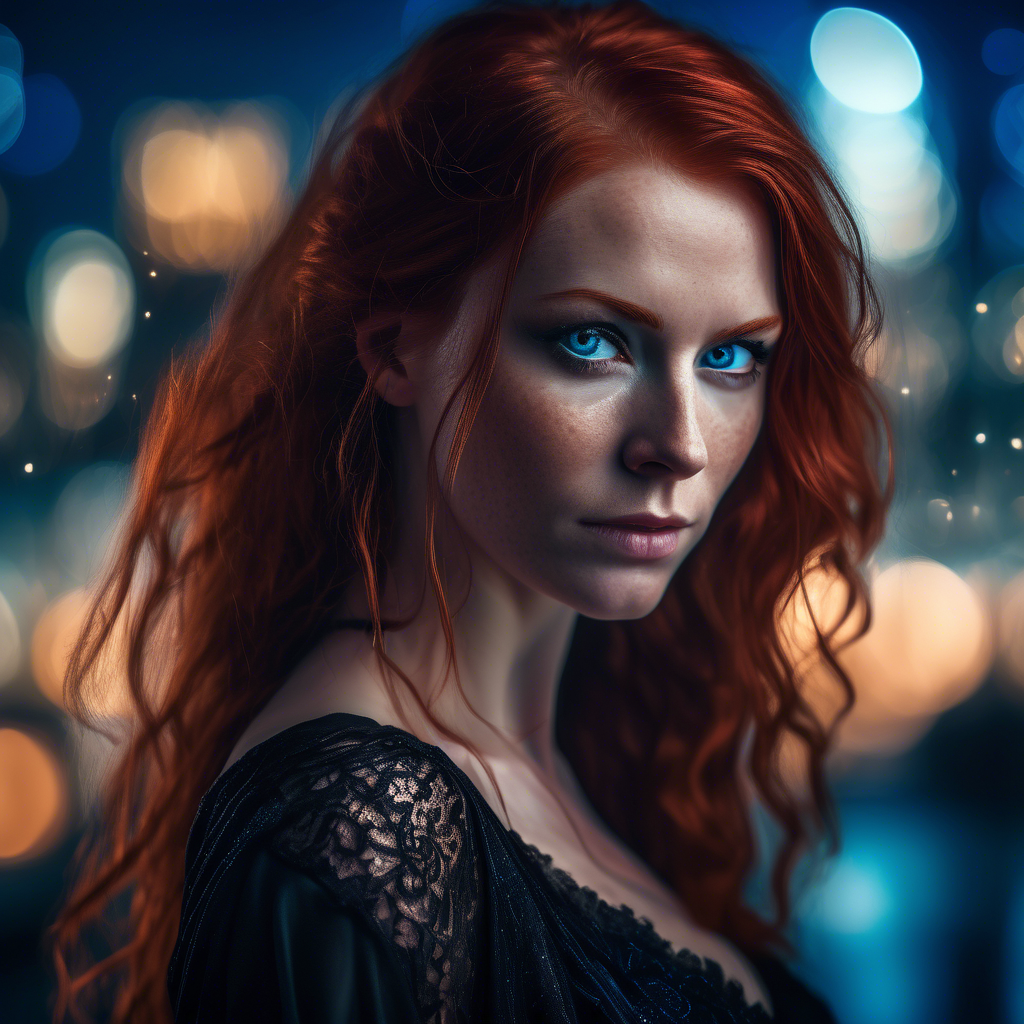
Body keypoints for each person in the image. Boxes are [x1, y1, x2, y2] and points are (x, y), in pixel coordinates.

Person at [49, 2, 894, 1022]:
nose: (679, 441)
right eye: (593, 342)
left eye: (729, 356)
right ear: (396, 345)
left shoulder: (584, 751)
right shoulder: (352, 828)